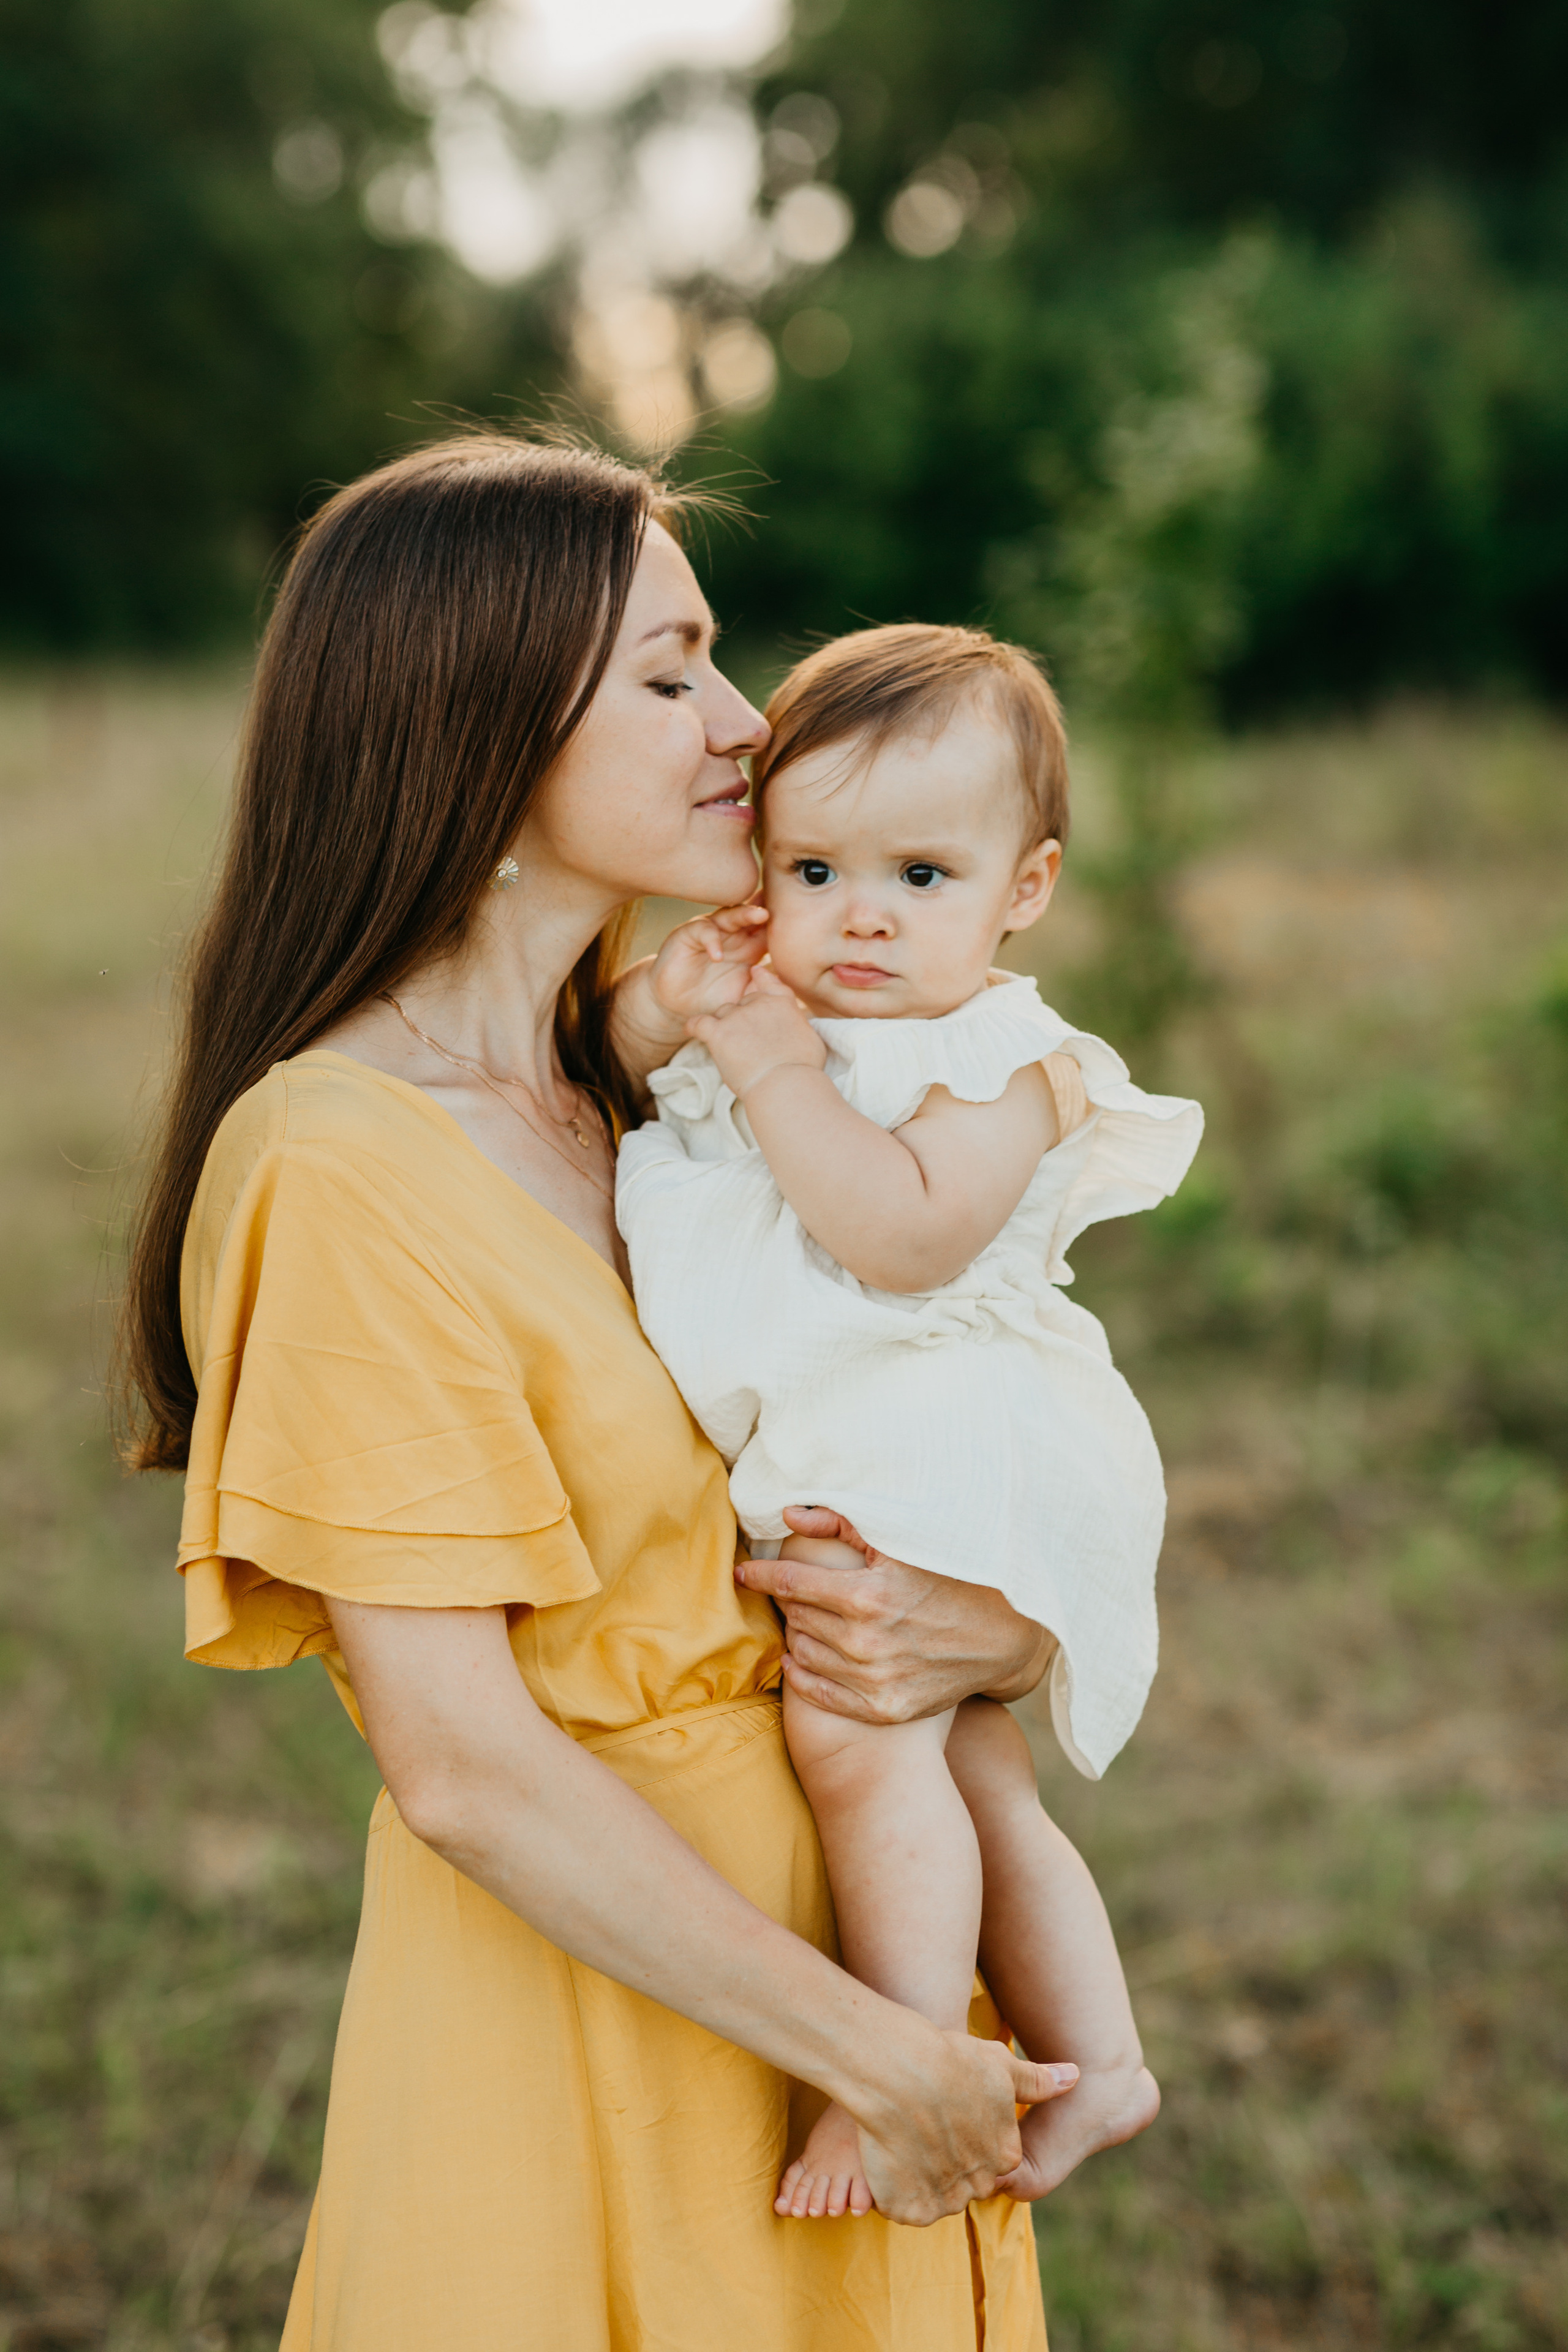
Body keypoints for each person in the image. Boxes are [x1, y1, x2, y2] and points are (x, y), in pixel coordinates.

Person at [118, 435, 1072, 2352]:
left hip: (848, 1971)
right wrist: (881, 2061)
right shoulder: (339, 1160)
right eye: (668, 675)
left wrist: (980, 1635)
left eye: (719, 660)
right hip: (621, 2030)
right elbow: (463, 1764)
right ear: (472, 730)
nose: (746, 724)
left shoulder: (670, 1095)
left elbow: (907, 1454)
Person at [615, 624, 1204, 2223]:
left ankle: (891, 2070)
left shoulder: (997, 1055)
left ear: (1026, 889)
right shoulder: (776, 1007)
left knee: (859, 1752)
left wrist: (765, 1059)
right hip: (882, 1433)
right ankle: (1104, 2063)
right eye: (812, 870)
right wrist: (668, 1012)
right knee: (976, 1782)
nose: (859, 915)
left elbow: (905, 1237)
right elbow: (617, 1088)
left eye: (923, 877)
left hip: (951, 1425)